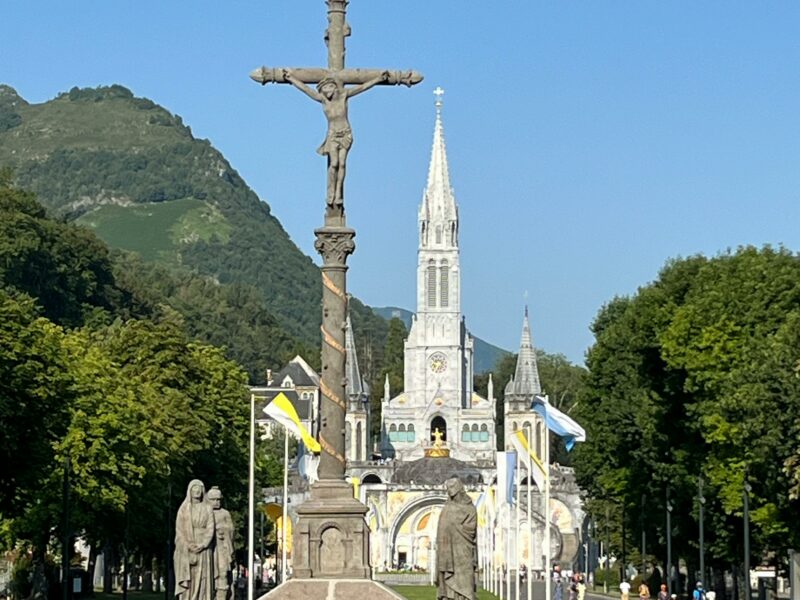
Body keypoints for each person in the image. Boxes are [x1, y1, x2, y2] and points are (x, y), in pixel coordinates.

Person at [282, 68, 390, 210]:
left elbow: (362, 88)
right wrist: (291, 79)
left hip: (345, 133)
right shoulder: (323, 100)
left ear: (334, 87)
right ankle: (331, 193)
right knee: (334, 164)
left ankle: (338, 192)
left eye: (329, 87)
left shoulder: (344, 95)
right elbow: (306, 89)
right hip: (332, 135)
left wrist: (377, 79)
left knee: (342, 164)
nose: (327, 91)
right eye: (324, 88)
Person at [435, 477, 478, 600]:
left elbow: (471, 530)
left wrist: (454, 529)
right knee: (449, 585)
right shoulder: (447, 508)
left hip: (464, 549)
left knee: (467, 582)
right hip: (447, 551)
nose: (453, 496)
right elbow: (441, 530)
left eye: (454, 492)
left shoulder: (470, 508)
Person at [174, 480, 215, 600]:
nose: (197, 491)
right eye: (194, 489)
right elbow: (179, 530)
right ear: (190, 491)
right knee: (190, 577)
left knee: (202, 577)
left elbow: (210, 528)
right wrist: (187, 545)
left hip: (203, 547)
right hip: (187, 547)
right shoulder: (183, 509)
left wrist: (203, 544)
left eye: (199, 489)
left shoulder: (208, 508)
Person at [207, 487, 234, 600]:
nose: (216, 502)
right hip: (209, 549)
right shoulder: (205, 512)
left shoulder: (225, 513)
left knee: (222, 574)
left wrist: (223, 530)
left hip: (222, 548)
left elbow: (231, 529)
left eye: (218, 499)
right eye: (213, 499)